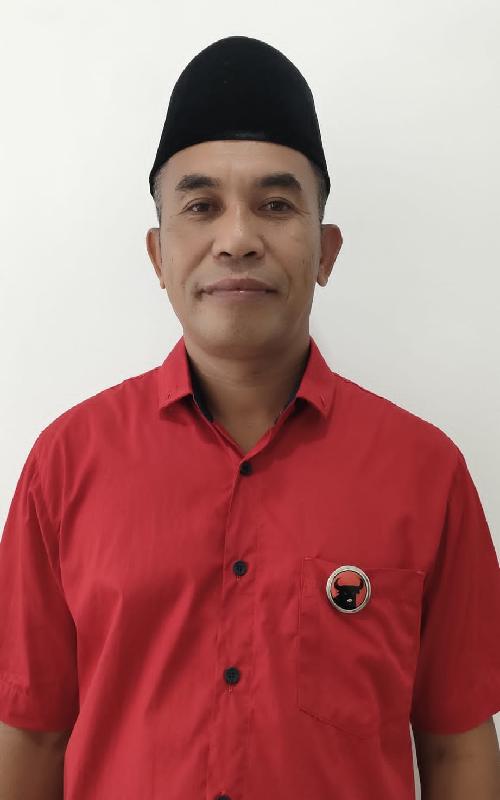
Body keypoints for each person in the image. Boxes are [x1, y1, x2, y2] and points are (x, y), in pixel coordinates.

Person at [0, 34, 499, 800]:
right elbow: (32, 732)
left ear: (326, 251)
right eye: (201, 207)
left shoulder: (427, 474)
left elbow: (456, 745)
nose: (237, 240)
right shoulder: (66, 464)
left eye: (275, 205)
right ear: (158, 254)